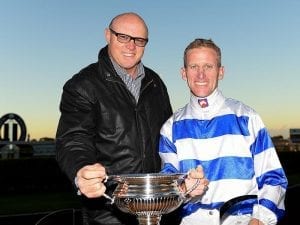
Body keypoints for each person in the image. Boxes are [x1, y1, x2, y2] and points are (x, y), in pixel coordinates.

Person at [55, 12, 207, 225]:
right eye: (123, 37)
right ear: (108, 35)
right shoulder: (82, 86)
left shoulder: (155, 83)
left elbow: (169, 141)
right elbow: (73, 140)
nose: (131, 46)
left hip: (161, 210)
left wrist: (183, 180)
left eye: (139, 40)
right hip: (109, 214)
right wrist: (81, 171)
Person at [158, 38, 288, 225]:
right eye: (194, 66)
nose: (200, 75)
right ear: (183, 73)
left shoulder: (247, 117)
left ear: (221, 72)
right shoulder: (170, 128)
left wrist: (259, 219)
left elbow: (274, 179)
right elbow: (168, 187)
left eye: (208, 67)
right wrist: (183, 188)